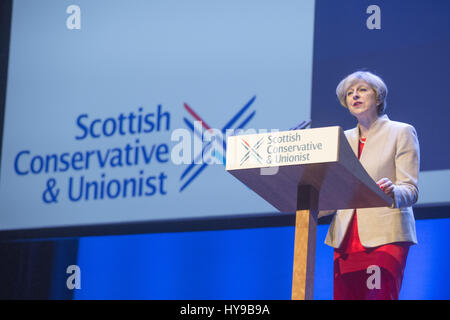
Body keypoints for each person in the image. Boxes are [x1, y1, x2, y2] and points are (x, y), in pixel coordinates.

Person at [320, 71, 420, 300]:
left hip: (385, 237)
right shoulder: (340, 140)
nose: (355, 95)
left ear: (378, 98)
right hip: (345, 240)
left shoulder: (401, 132)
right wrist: (308, 203)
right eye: (349, 93)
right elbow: (334, 192)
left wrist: (393, 191)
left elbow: (411, 190)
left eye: (362, 90)